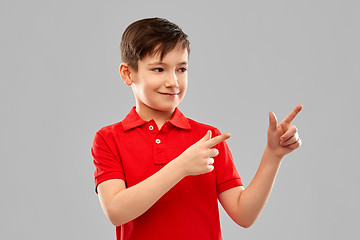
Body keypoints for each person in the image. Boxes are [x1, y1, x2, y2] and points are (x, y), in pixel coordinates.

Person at [91, 17, 302, 240]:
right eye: (159, 69)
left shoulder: (207, 138)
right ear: (127, 73)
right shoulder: (108, 139)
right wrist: (181, 166)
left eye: (181, 69)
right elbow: (116, 211)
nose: (173, 81)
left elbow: (244, 214)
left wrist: (273, 155)